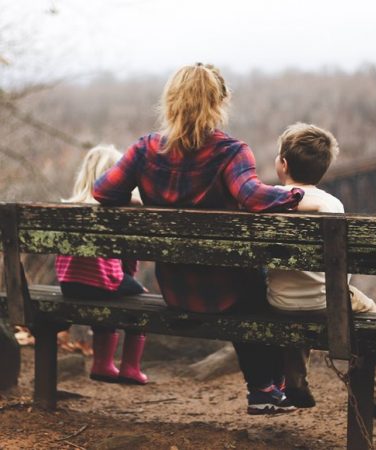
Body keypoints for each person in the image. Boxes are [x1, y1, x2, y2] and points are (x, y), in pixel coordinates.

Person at [93, 63, 314, 414]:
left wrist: (134, 199)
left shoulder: (144, 150)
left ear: (170, 102)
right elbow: (253, 197)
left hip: (176, 290)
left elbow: (102, 191)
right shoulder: (230, 152)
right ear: (217, 103)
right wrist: (297, 196)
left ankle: (269, 389)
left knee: (249, 286)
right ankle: (266, 389)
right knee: (259, 289)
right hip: (228, 292)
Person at [267, 123, 376, 422]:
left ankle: (295, 383)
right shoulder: (332, 204)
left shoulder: (267, 200)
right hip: (329, 302)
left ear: (282, 164)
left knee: (295, 312)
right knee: (371, 312)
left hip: (280, 302)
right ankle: (375, 392)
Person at [55, 145, 148, 385]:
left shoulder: (69, 208)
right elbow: (128, 256)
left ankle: (102, 364)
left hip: (69, 285)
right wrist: (128, 277)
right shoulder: (115, 210)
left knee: (107, 293)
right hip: (103, 283)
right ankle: (130, 368)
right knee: (141, 300)